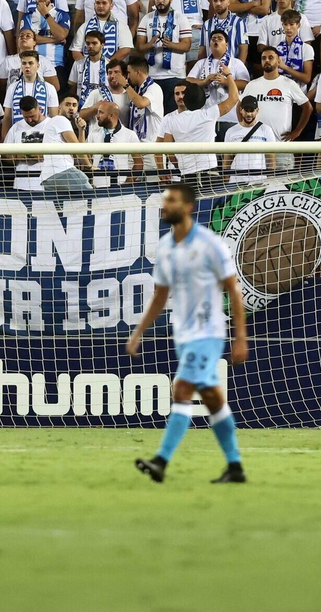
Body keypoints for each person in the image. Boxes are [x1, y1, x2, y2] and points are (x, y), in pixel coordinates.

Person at [128, 181, 248, 484]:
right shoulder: (166, 247)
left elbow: (234, 292)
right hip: (182, 333)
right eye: (165, 200)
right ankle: (235, 466)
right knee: (212, 398)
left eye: (171, 201)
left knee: (181, 389)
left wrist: (240, 337)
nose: (165, 205)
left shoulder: (210, 244)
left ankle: (161, 461)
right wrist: (139, 331)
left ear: (188, 207)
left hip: (207, 332)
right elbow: (160, 295)